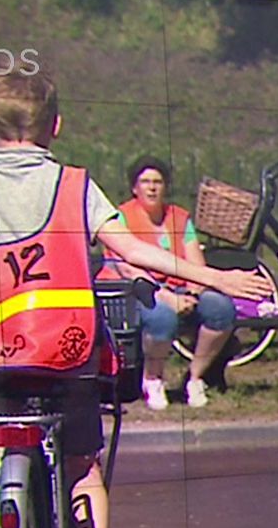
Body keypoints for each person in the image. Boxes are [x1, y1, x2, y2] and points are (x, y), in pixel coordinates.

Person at [0, 70, 268, 528]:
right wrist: (217, 278)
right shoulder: (75, 186)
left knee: (1, 410)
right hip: (68, 350)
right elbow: (133, 251)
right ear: (56, 125)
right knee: (82, 462)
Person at [96, 156, 246, 410]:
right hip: (140, 289)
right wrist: (168, 297)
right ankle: (153, 378)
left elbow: (196, 264)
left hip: (181, 287)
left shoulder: (179, 218)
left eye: (157, 182)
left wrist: (193, 294)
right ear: (135, 188)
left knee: (221, 309)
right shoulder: (122, 217)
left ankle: (195, 377)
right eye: (145, 182)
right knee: (162, 317)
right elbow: (126, 267)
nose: (152, 187)